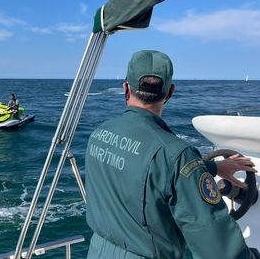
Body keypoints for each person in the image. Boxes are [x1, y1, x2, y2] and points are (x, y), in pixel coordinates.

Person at [85, 50, 259, 259]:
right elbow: (218, 249)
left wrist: (213, 167)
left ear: (125, 88)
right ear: (170, 92)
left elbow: (144, 169)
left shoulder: (99, 134)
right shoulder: (176, 155)